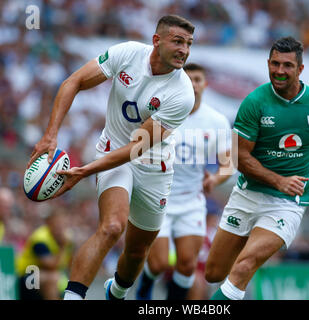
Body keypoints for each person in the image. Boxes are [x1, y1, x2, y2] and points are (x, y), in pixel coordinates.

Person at [27, 14, 195, 300]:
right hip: (112, 150)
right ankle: (73, 296)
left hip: (154, 167)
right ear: (157, 40)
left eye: (189, 44)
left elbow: (136, 148)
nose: (184, 50)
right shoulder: (127, 53)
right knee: (112, 227)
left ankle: (115, 292)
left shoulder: (182, 93)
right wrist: (51, 134)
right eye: (177, 41)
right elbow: (74, 81)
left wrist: (85, 171)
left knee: (137, 251)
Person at [205, 36, 309, 300]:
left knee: (244, 267)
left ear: (300, 69)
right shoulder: (255, 102)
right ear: (268, 63)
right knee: (213, 273)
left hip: (287, 203)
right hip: (247, 195)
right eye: (275, 64)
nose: (280, 71)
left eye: (288, 65)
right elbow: (239, 157)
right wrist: (278, 179)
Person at [135, 63, 232, 300]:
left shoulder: (216, 120)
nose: (194, 84)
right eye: (188, 79)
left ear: (205, 84)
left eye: (198, 79)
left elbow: (229, 163)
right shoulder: (163, 113)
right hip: (159, 199)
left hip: (191, 201)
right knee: (158, 264)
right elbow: (137, 148)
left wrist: (216, 179)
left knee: (187, 265)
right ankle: (144, 286)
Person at [16, 207, 74, 299]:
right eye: (58, 224)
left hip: (51, 275)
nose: (61, 227)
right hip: (24, 277)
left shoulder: (66, 238)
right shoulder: (40, 239)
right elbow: (50, 266)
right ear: (49, 223)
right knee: (51, 279)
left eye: (63, 224)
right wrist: (63, 246)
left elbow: (70, 265)